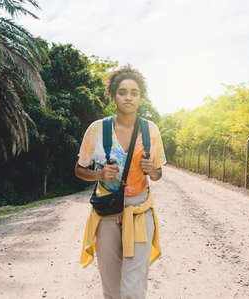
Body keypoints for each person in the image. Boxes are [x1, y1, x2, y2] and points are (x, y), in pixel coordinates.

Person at [75, 65, 167, 299]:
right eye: (123, 91)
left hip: (139, 211)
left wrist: (152, 170)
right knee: (111, 285)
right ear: (114, 95)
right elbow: (79, 169)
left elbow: (157, 175)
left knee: (133, 286)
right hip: (107, 210)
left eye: (134, 92)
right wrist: (99, 175)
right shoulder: (97, 129)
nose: (128, 97)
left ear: (141, 97)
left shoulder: (151, 131)